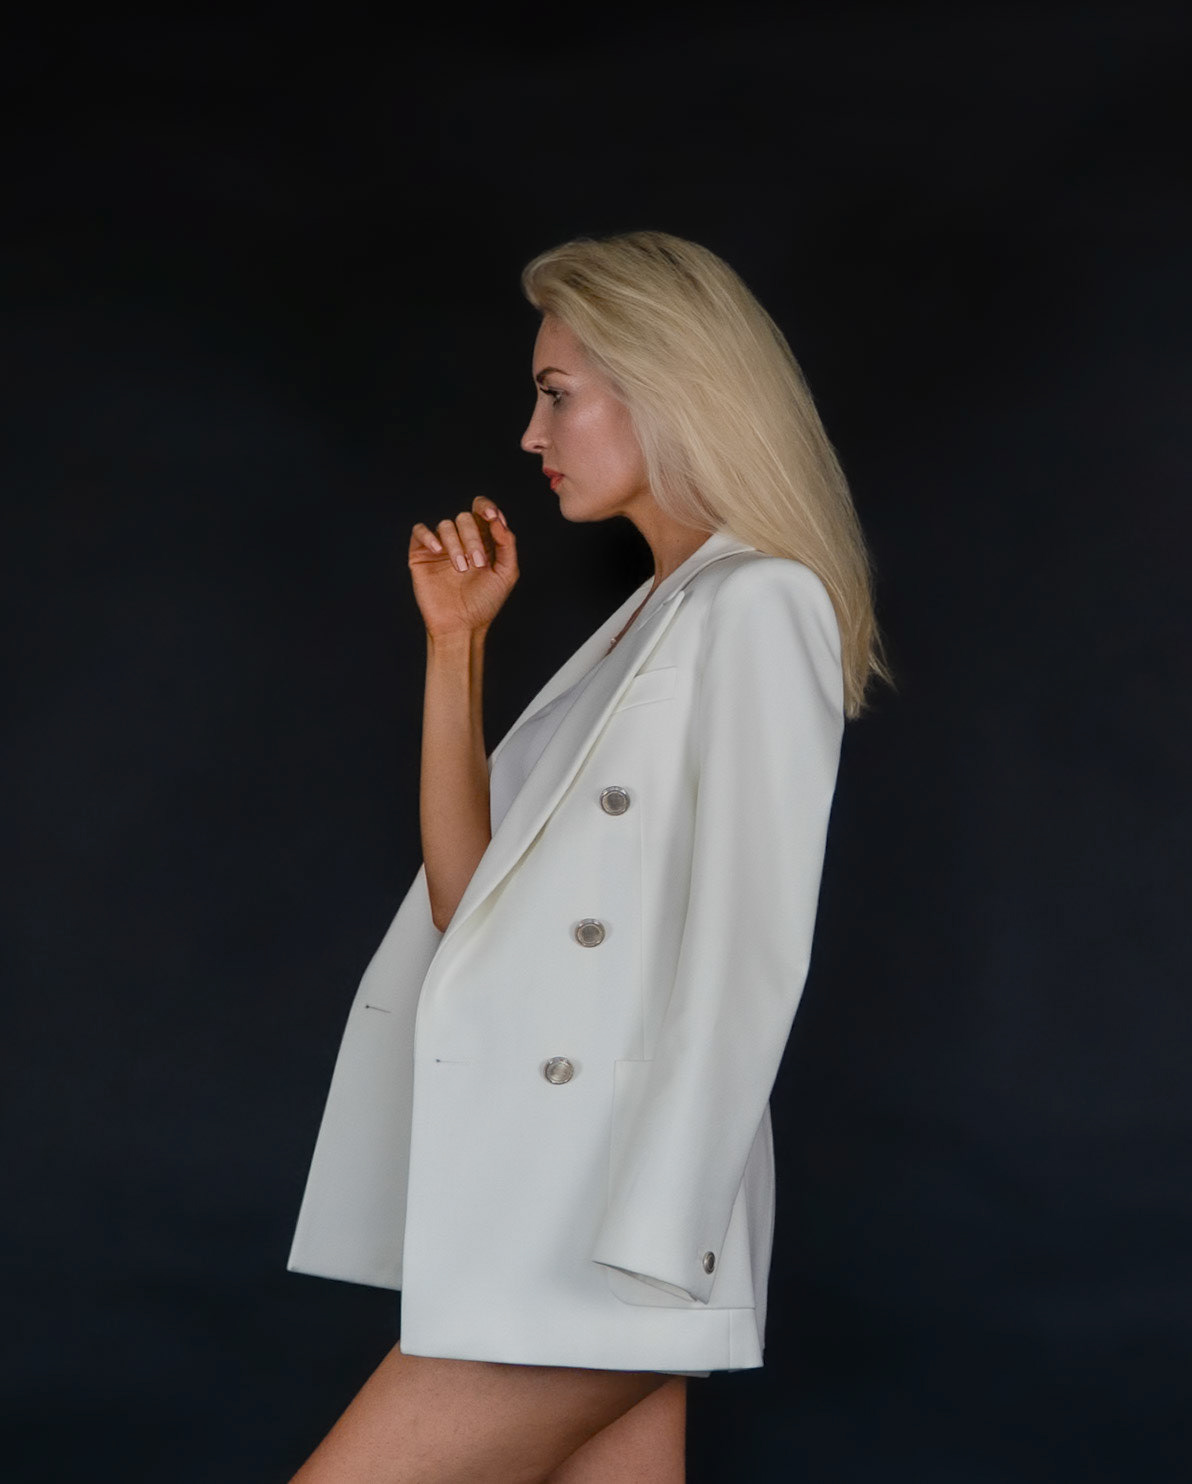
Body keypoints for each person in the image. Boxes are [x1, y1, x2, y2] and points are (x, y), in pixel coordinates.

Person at [285, 230, 891, 1483]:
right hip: (544, 1203)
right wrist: (455, 648)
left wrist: (659, 1235)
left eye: (557, 393)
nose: (531, 432)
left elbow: (749, 947)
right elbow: (470, 908)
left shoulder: (758, 600)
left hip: (608, 1220)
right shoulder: (641, 622)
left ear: (668, 389)